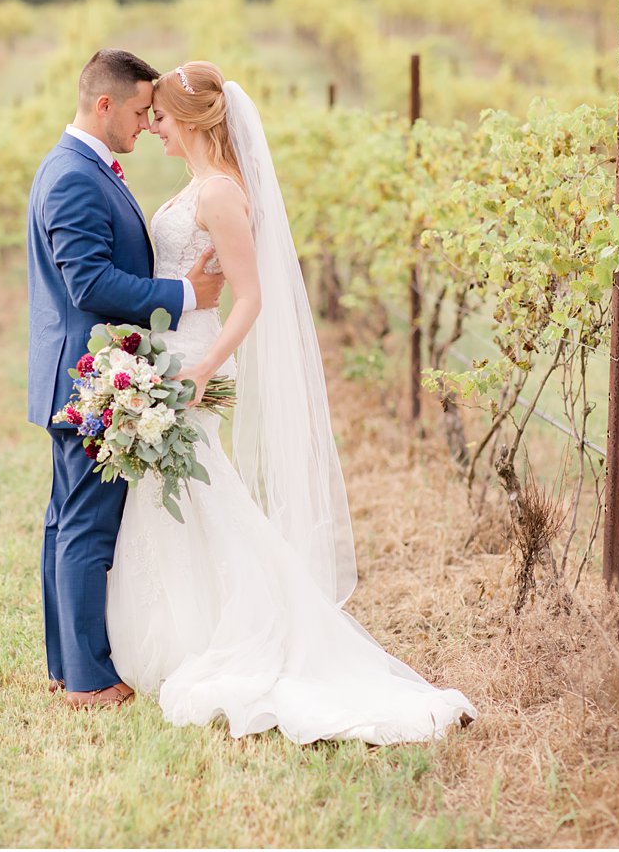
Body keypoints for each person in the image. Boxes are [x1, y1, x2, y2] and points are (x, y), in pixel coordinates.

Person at [105, 61, 478, 744]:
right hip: (169, 348)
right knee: (179, 493)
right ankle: (189, 628)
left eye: (160, 117)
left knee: (200, 487)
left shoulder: (219, 194)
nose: (153, 128)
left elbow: (251, 297)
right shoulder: (198, 186)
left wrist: (203, 366)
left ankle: (243, 628)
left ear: (187, 121)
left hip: (195, 359)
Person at [26, 49, 226, 709]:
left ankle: (67, 666)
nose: (147, 124)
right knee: (85, 523)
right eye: (141, 111)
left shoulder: (80, 166)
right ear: (104, 104)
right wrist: (186, 295)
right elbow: (89, 282)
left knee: (67, 520)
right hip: (88, 378)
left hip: (80, 373)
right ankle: (87, 679)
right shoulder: (74, 176)